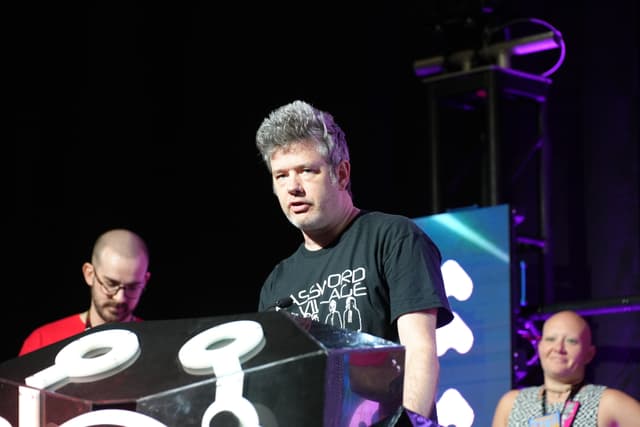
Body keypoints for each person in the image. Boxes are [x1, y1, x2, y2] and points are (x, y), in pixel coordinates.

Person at [255, 100, 453, 426]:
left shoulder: (393, 237)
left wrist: (412, 422)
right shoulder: (277, 283)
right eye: (281, 175)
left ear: (341, 173)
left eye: (307, 170)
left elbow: (418, 350)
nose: (293, 187)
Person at [491, 310, 640, 427]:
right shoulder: (512, 404)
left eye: (571, 341)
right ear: (539, 347)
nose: (558, 348)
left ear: (589, 354)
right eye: (550, 339)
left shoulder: (607, 402)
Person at [19, 228, 151, 356]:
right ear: (89, 274)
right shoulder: (42, 342)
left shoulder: (154, 341)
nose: (120, 298)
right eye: (111, 284)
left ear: (145, 281)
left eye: (133, 287)